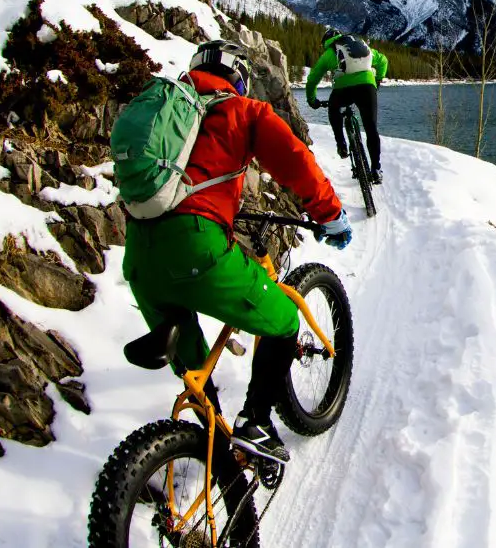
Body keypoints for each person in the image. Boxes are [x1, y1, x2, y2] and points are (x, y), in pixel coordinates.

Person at [122, 40, 353, 464]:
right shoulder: (241, 111)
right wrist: (330, 214)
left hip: (139, 257)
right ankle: (258, 424)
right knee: (283, 319)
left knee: (195, 370)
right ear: (237, 78)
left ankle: (210, 450)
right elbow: (294, 161)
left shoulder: (168, 118)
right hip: (196, 249)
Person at [305, 28, 389, 184]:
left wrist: (312, 100)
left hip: (343, 89)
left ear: (326, 42)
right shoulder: (362, 46)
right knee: (371, 129)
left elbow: (312, 79)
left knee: (333, 108)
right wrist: (377, 81)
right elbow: (383, 60)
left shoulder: (330, 53)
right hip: (367, 87)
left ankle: (341, 144)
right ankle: (376, 169)